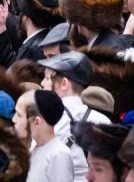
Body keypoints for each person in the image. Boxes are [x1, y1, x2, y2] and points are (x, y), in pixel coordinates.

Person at [39, 52, 110, 182]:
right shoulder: (103, 121)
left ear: (64, 83)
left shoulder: (45, 120)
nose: (42, 83)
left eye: (47, 78)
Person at [26, 90, 74, 182]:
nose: (15, 119)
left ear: (37, 121)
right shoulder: (34, 149)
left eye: (20, 115)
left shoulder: (59, 154)